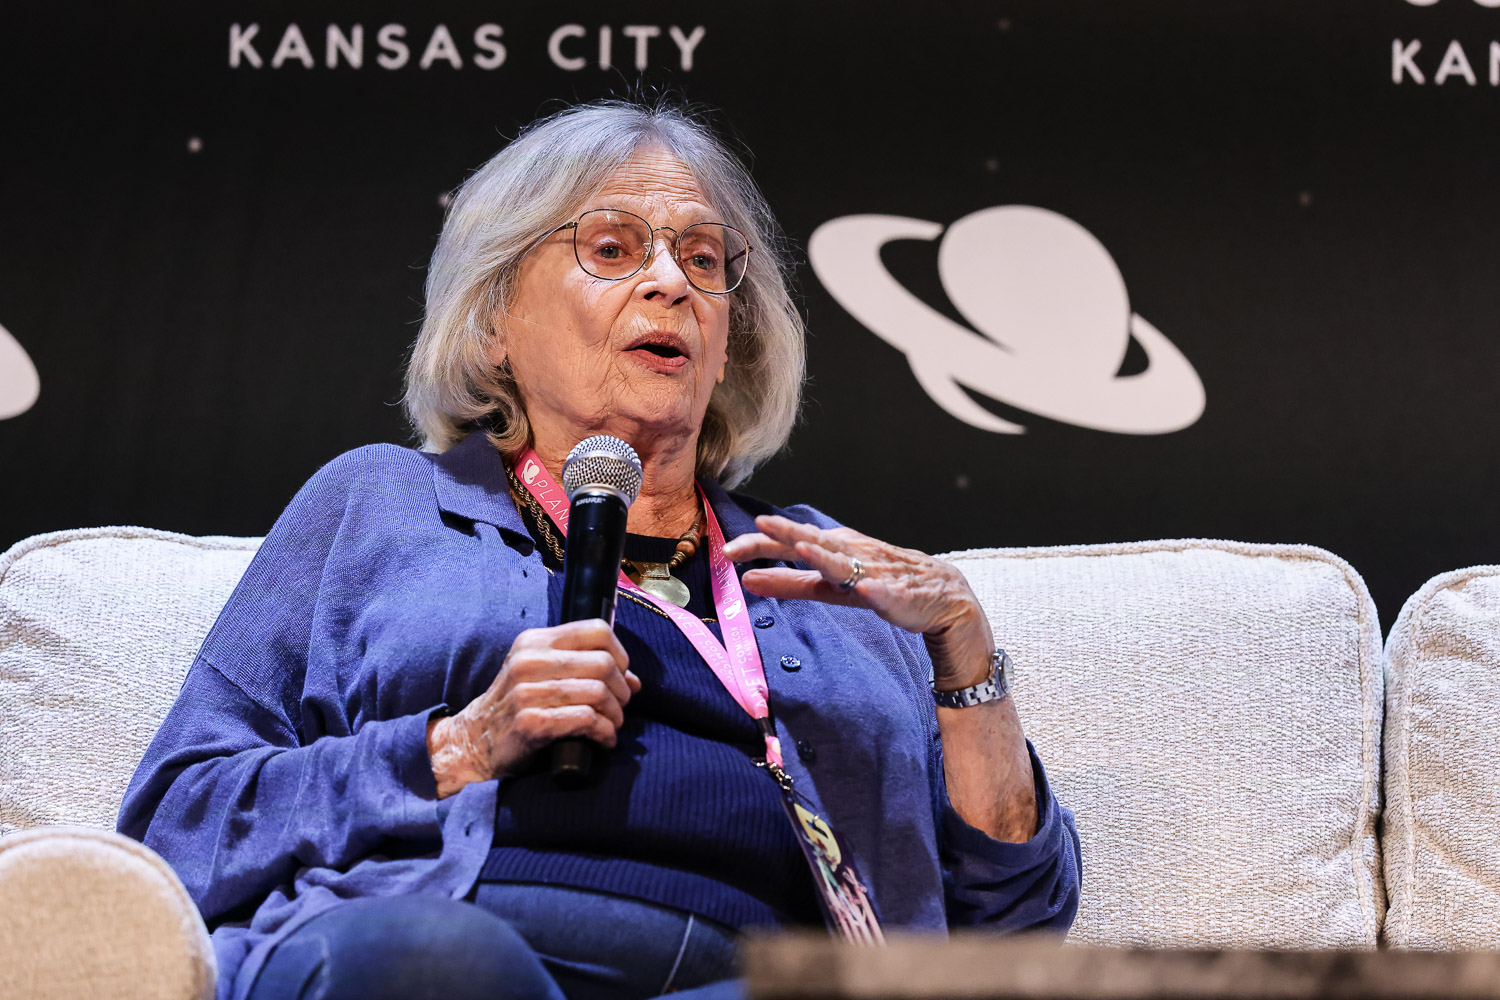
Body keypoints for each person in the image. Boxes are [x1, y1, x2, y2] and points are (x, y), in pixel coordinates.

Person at [118, 100, 1081, 1000]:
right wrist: (458, 745)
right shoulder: (381, 506)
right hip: (456, 937)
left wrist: (962, 653)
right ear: (495, 321)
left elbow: (1010, 937)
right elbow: (176, 828)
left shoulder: (827, 575)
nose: (672, 283)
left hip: (758, 974)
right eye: (614, 248)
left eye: (705, 262)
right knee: (436, 965)